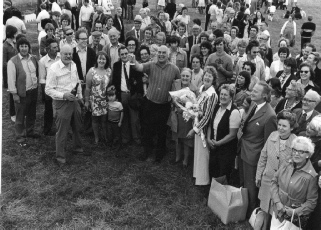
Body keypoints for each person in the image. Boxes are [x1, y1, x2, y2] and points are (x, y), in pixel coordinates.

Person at [131, 45, 180, 163]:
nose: (161, 54)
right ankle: (146, 151)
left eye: (164, 52)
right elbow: (139, 67)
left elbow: (178, 84)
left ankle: (160, 153)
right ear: (156, 54)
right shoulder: (151, 64)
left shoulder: (174, 69)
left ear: (168, 55)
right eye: (159, 52)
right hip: (150, 103)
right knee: (147, 129)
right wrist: (133, 61)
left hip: (164, 105)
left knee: (162, 131)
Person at [238, 81, 277, 217]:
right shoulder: (254, 105)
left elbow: (268, 143)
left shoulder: (270, 115)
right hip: (244, 149)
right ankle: (242, 207)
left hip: (254, 156)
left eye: (255, 91)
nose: (251, 92)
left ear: (265, 95)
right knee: (243, 182)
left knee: (251, 187)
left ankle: (251, 214)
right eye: (252, 90)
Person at [256, 111, 297, 230]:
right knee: (264, 208)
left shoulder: (295, 142)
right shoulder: (272, 135)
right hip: (267, 179)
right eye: (279, 125)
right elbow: (263, 156)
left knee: (277, 212)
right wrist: (258, 175)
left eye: (284, 126)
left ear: (292, 127)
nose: (281, 128)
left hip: (282, 185)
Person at [46, 44, 84, 164]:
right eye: (65, 54)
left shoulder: (73, 65)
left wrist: (80, 97)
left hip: (75, 101)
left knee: (77, 126)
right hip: (61, 103)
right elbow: (48, 89)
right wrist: (64, 95)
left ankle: (78, 148)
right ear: (60, 54)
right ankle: (60, 157)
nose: (68, 56)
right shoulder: (53, 69)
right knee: (62, 131)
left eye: (70, 54)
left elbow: (77, 82)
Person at [270, 137, 318, 230]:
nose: (296, 153)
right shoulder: (286, 164)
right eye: (295, 150)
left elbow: (311, 202)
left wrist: (295, 212)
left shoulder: (311, 176)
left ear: (308, 155)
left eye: (301, 152)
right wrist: (277, 202)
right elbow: (274, 182)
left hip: (293, 219)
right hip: (278, 211)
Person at [7, 37, 40, 147]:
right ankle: (20, 136)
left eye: (26, 46)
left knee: (31, 113)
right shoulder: (13, 62)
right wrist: (15, 94)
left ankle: (30, 132)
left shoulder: (33, 59)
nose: (24, 48)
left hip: (33, 91)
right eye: (22, 46)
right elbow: (11, 80)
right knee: (20, 116)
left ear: (29, 48)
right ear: (18, 48)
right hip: (21, 94)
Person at [188, 66, 218, 186]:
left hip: (204, 130)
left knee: (203, 155)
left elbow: (207, 116)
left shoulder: (212, 95)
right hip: (197, 124)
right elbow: (198, 106)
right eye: (206, 74)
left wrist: (194, 130)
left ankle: (203, 181)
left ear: (214, 79)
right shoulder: (201, 89)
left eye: (210, 76)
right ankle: (197, 176)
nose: (207, 77)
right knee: (198, 154)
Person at [207, 84, 241, 183]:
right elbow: (210, 124)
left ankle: (221, 196)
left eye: (225, 95)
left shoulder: (234, 112)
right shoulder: (216, 107)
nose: (222, 97)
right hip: (214, 146)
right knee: (213, 169)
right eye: (221, 94)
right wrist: (209, 139)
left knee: (222, 173)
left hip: (226, 150)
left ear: (231, 97)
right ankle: (212, 193)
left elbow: (232, 135)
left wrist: (218, 143)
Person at [111, 46, 144, 145]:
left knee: (134, 119)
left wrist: (138, 93)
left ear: (128, 53)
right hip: (122, 94)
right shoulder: (116, 65)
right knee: (124, 116)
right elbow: (115, 80)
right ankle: (125, 137)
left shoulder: (134, 64)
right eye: (122, 54)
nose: (124, 56)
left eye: (126, 53)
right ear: (119, 55)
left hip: (133, 94)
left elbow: (139, 80)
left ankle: (136, 137)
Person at [170, 68, 198, 168]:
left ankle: (185, 160)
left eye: (187, 76)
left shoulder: (194, 88)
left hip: (187, 117)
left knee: (186, 139)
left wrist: (186, 108)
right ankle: (177, 157)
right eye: (183, 76)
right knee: (177, 137)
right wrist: (178, 106)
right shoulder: (175, 84)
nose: (185, 78)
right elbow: (172, 98)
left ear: (191, 77)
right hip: (176, 114)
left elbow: (195, 104)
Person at [84, 51, 111, 145]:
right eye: (100, 58)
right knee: (95, 119)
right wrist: (87, 101)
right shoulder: (92, 71)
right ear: (97, 59)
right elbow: (87, 87)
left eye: (103, 59)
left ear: (106, 60)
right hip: (94, 99)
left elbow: (111, 85)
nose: (101, 60)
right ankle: (96, 138)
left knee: (104, 119)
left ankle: (105, 136)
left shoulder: (109, 71)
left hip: (105, 99)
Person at [39, 38, 61, 136]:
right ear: (48, 49)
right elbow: (42, 78)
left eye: (57, 47)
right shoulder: (43, 61)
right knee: (48, 109)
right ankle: (47, 129)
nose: (57, 49)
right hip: (49, 88)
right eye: (54, 47)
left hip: (61, 87)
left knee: (61, 109)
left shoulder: (61, 58)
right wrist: (46, 91)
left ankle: (61, 128)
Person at [306, 115, 321, 230]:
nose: (308, 129)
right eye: (308, 126)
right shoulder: (303, 137)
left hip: (314, 179)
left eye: (312, 129)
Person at [3, 25, 18, 122]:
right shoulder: (5, 46)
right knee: (12, 92)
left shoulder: (15, 43)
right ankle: (12, 113)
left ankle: (19, 111)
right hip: (10, 71)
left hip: (18, 70)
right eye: (15, 33)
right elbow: (3, 62)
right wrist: (11, 65)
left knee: (19, 91)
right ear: (12, 34)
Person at [106, 86, 124, 152]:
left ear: (116, 95)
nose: (111, 97)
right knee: (110, 134)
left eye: (112, 96)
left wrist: (120, 122)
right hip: (109, 122)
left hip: (116, 122)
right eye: (109, 96)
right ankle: (110, 144)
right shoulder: (108, 103)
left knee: (117, 134)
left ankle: (117, 145)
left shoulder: (119, 104)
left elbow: (122, 112)